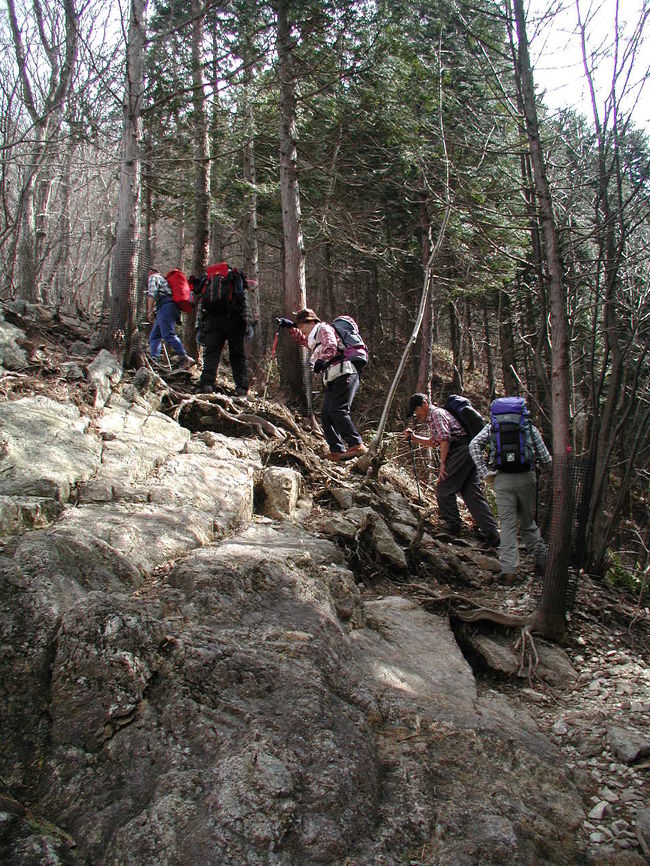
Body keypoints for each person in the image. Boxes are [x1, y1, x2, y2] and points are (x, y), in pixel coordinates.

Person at [469, 399, 552, 581]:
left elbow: (473, 445)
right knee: (528, 523)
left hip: (502, 478)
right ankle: (543, 562)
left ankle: (509, 571)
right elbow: (546, 457)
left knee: (507, 525)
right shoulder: (528, 427)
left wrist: (485, 472)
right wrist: (545, 469)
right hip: (526, 478)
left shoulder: (492, 427)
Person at [403, 393, 500, 547]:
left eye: (416, 410)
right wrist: (415, 438)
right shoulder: (435, 416)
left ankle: (452, 526)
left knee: (444, 487)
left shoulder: (436, 414)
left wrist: (442, 464)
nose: (416, 415)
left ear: (424, 404)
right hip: (468, 450)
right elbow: (435, 442)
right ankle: (492, 533)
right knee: (471, 493)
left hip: (460, 450)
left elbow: (445, 439)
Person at [286, 308, 368, 461]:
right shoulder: (314, 338)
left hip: (345, 372)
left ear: (311, 321)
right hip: (334, 376)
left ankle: (356, 444)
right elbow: (305, 341)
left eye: (301, 326)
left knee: (338, 409)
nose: (301, 330)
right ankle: (336, 450)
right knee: (326, 414)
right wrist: (291, 328)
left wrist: (321, 360)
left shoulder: (323, 328)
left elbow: (331, 344)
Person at [195, 264, 254, 396]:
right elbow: (244, 303)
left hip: (212, 321)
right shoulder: (235, 277)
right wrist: (248, 324)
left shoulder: (209, 280)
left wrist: (199, 327)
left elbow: (201, 306)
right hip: (235, 321)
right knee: (237, 355)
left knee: (211, 354)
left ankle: (207, 384)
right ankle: (241, 388)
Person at [146, 267, 195, 370]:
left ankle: (185, 358)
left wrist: (149, 310)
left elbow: (152, 293)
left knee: (168, 334)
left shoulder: (153, 277)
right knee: (154, 336)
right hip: (165, 308)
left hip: (166, 307)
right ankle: (154, 360)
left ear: (150, 272)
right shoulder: (164, 280)